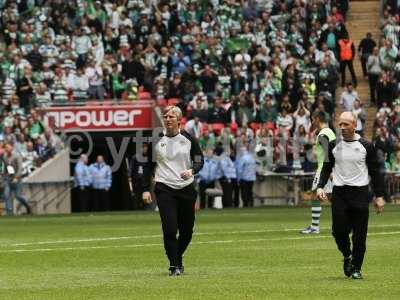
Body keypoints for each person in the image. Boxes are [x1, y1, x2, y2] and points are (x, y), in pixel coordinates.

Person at [317, 112, 385, 279]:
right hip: (340, 194)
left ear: (355, 125)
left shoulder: (367, 146)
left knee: (360, 236)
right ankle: (347, 256)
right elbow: (326, 167)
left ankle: (356, 268)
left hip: (360, 194)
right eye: (340, 124)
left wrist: (379, 196)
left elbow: (376, 173)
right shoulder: (333, 145)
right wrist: (320, 187)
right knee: (338, 231)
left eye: (346, 124)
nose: (342, 128)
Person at [142, 106, 204, 276]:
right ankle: (173, 265)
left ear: (179, 120)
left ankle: (177, 257)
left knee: (187, 231)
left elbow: (199, 160)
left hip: (186, 189)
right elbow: (148, 166)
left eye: (171, 116)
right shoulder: (156, 141)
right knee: (170, 229)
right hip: (164, 188)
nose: (167, 119)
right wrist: (145, 189)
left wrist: (192, 171)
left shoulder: (189, 139)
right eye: (165, 116)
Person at [301, 112, 336, 234]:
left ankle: (314, 227)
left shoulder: (322, 134)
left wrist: (329, 171)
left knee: (315, 195)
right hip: (330, 168)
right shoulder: (330, 132)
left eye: (312, 120)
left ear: (317, 119)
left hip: (324, 168)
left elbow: (328, 152)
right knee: (333, 198)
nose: (311, 122)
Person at [3, 142, 31, 215]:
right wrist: (4, 175)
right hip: (8, 179)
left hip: (17, 179)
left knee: (18, 196)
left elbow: (20, 168)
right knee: (6, 195)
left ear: (11, 147)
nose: (6, 149)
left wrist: (16, 177)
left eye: (8, 147)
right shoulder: (5, 157)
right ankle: (9, 213)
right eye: (5, 147)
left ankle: (27, 204)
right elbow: (6, 168)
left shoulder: (17, 156)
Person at [130, 142, 153, 210]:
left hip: (147, 179)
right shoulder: (135, 157)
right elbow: (131, 168)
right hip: (137, 179)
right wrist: (129, 176)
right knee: (137, 195)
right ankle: (137, 208)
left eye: (146, 147)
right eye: (143, 147)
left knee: (147, 193)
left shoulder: (150, 158)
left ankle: (147, 207)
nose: (144, 149)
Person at [215, 144, 237, 208]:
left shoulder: (226, 157)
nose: (230, 152)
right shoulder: (224, 158)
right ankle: (227, 205)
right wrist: (227, 177)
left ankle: (227, 204)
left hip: (227, 177)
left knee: (227, 192)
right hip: (225, 177)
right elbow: (224, 168)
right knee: (227, 192)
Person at [236, 142, 257, 207]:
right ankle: (251, 203)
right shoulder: (252, 157)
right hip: (252, 178)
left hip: (244, 178)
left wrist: (238, 179)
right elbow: (254, 167)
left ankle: (245, 204)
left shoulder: (242, 158)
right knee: (250, 191)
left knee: (244, 192)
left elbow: (239, 170)